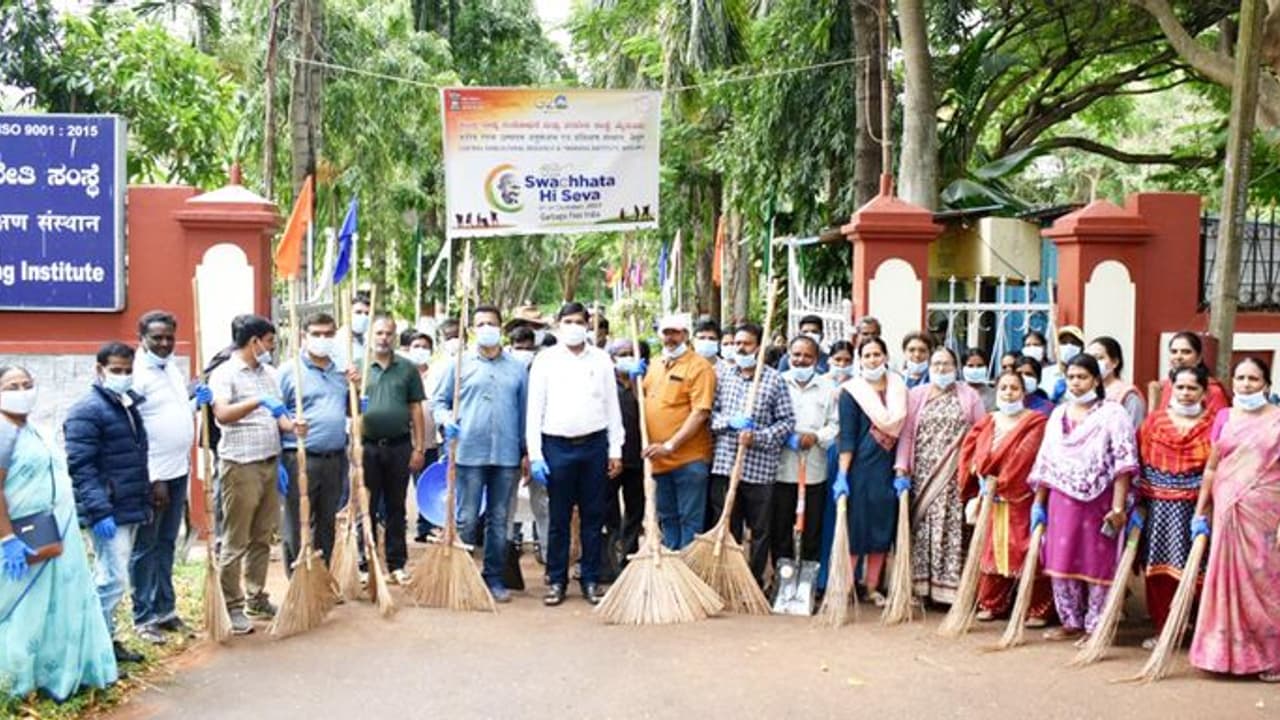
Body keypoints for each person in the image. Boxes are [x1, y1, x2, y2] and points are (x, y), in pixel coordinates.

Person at [0, 365, 118, 701]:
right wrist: (7, 539)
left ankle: (62, 673)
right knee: (26, 608)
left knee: (62, 603)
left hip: (56, 530)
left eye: (27, 384)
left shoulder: (36, 430)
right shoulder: (2, 432)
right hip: (22, 535)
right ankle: (17, 681)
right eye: (12, 385)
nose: (22, 391)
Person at [208, 314, 307, 635]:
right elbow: (222, 414)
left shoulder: (270, 374)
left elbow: (278, 416)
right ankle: (232, 605)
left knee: (262, 536)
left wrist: (292, 426)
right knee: (236, 539)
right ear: (254, 342)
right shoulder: (225, 375)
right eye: (269, 343)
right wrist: (256, 402)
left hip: (269, 461)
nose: (270, 349)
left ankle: (256, 596)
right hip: (240, 464)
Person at [1028, 354, 1138, 642]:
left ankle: (1097, 626)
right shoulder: (1057, 415)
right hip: (1060, 499)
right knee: (1061, 560)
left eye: (1082, 377)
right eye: (1071, 377)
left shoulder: (1113, 414)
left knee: (1097, 564)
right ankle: (1071, 621)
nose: (1075, 383)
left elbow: (1123, 463)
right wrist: (1038, 504)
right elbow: (1045, 462)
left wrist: (1118, 507)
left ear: (1096, 380)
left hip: (1099, 500)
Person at [526, 302, 624, 606]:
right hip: (556, 446)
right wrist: (536, 454)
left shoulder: (602, 360)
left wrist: (615, 449)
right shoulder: (545, 361)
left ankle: (591, 579)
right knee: (558, 518)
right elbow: (534, 410)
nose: (573, 326)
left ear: (587, 324)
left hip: (594, 445)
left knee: (594, 517)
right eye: (567, 321)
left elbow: (612, 407)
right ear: (558, 324)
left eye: (578, 321)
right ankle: (557, 580)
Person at [1189, 357, 1280, 682]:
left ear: (1266, 385)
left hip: (1265, 512)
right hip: (1227, 508)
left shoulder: (1277, 420)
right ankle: (1225, 655)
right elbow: (1212, 467)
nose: (1245, 385)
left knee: (1264, 581)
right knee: (1225, 579)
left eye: (1253, 379)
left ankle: (1271, 656)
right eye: (1240, 379)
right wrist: (1201, 511)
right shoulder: (1224, 417)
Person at [434, 305, 528, 602]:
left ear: (501, 327)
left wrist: (526, 452)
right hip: (468, 453)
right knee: (466, 518)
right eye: (480, 324)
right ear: (473, 329)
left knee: (499, 520)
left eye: (492, 323)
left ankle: (494, 578)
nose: (486, 328)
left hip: (506, 455)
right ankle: (462, 577)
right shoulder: (458, 365)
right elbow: (438, 401)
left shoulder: (516, 368)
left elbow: (525, 412)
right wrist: (445, 419)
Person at [65, 342, 151, 663]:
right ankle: (95, 649)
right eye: (116, 370)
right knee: (110, 579)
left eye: (128, 370)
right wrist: (99, 511)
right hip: (107, 510)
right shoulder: (87, 411)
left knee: (116, 579)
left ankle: (107, 640)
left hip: (126, 505)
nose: (123, 375)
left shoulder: (125, 405)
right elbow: (80, 466)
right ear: (99, 370)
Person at [129, 311, 204, 645]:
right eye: (157, 337)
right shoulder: (135, 374)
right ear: (141, 336)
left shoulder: (171, 367)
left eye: (169, 337)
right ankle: (144, 617)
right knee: (145, 546)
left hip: (178, 470)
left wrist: (192, 401)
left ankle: (165, 610)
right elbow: (136, 430)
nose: (164, 343)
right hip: (154, 475)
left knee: (166, 543)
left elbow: (169, 413)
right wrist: (153, 476)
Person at [956, 370, 1053, 624]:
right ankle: (992, 603)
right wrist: (979, 474)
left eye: (1014, 388)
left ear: (1024, 393)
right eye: (1004, 388)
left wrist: (1002, 482)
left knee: (1024, 549)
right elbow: (972, 452)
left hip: (1022, 498)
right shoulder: (988, 421)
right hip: (990, 497)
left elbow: (1024, 458)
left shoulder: (1036, 422)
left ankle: (1035, 607)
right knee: (991, 549)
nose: (1008, 393)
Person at [894, 347, 986, 605]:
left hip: (955, 474)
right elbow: (908, 434)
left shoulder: (970, 396)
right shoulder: (916, 395)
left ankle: (950, 591)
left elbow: (981, 433)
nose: (941, 369)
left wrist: (979, 471)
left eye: (946, 364)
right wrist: (902, 468)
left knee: (952, 528)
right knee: (923, 528)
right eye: (936, 364)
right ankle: (921, 590)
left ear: (956, 367)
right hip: (923, 473)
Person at [708, 322, 796, 587]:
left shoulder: (773, 380)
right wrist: (728, 422)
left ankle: (753, 581)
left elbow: (786, 422)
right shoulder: (722, 376)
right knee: (727, 527)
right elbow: (708, 415)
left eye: (746, 344)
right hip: (725, 466)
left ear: (757, 347)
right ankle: (728, 580)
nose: (740, 348)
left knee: (760, 531)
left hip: (759, 470)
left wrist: (757, 436)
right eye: (737, 344)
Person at [1136, 364, 1212, 646]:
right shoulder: (1154, 423)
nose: (1186, 393)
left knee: (1200, 571)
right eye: (1180, 387)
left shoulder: (1215, 424)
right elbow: (1141, 462)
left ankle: (1198, 630)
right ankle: (1164, 629)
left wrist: (1206, 508)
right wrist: (1140, 504)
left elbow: (1218, 468)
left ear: (1204, 391)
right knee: (1159, 570)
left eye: (1193, 387)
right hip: (1159, 509)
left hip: (1199, 509)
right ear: (1171, 388)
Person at [830, 337, 906, 604]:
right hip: (860, 468)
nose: (873, 360)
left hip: (888, 467)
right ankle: (847, 587)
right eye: (867, 355)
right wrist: (842, 474)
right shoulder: (852, 392)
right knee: (855, 527)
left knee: (881, 527)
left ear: (886, 356)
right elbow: (847, 437)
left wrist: (902, 470)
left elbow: (905, 432)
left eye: (877, 354)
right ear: (860, 360)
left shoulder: (898, 388)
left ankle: (872, 587)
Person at [278, 312, 350, 572]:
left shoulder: (342, 372)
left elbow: (351, 410)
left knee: (328, 522)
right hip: (300, 457)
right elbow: (275, 414)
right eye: (316, 334)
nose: (323, 339)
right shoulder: (288, 372)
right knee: (299, 522)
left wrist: (358, 391)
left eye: (328, 334)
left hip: (334, 457)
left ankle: (322, 578)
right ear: (303, 337)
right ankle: (298, 579)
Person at [360, 315, 428, 584]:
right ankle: (365, 563)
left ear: (395, 336)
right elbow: (347, 405)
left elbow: (415, 408)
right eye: (378, 333)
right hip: (367, 447)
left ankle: (397, 563)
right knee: (367, 506)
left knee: (396, 507)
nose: (383, 338)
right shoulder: (358, 367)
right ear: (371, 336)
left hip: (399, 446)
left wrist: (419, 447)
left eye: (388, 333)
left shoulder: (407, 369)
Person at [643, 315, 716, 551]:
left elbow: (700, 412)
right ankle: (671, 571)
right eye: (666, 333)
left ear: (686, 334)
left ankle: (687, 574)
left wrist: (671, 445)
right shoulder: (655, 365)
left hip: (688, 460)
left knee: (690, 520)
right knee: (668, 518)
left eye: (675, 332)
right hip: (658, 460)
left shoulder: (699, 367)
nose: (670, 338)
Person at [772, 335, 838, 568]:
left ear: (816, 359)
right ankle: (783, 577)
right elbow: (767, 419)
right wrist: (784, 436)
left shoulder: (828, 388)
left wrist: (817, 437)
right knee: (780, 527)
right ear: (788, 356)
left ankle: (808, 579)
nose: (801, 360)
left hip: (813, 469)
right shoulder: (776, 382)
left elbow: (835, 424)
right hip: (781, 468)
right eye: (796, 355)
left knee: (811, 529)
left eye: (807, 355)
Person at [606, 339, 647, 562]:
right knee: (608, 509)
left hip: (637, 457)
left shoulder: (643, 382)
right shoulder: (606, 382)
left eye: (631, 353)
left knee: (635, 509)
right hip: (611, 457)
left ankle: (629, 554)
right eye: (621, 353)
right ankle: (611, 558)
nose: (626, 357)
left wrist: (635, 381)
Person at [407, 331, 439, 543]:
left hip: (430, 440)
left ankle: (425, 526)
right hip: (403, 440)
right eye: (416, 346)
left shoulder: (438, 374)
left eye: (424, 347)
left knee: (426, 484)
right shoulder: (403, 373)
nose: (420, 350)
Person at [1155, 331, 1230, 414]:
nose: (1178, 357)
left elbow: (1221, 423)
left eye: (1186, 352)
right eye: (1174, 352)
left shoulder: (1213, 390)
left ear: (1199, 357)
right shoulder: (1167, 385)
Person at [1087, 335, 1145, 428]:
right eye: (1089, 358)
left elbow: (1134, 431)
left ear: (1115, 362)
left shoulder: (1128, 395)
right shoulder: (1086, 392)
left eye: (1099, 358)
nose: (1093, 363)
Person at [1044, 325, 1085, 403]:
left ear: (1081, 348)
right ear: (1056, 347)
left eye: (1074, 343)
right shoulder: (1045, 373)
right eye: (1063, 343)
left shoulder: (1086, 375)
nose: (1068, 346)